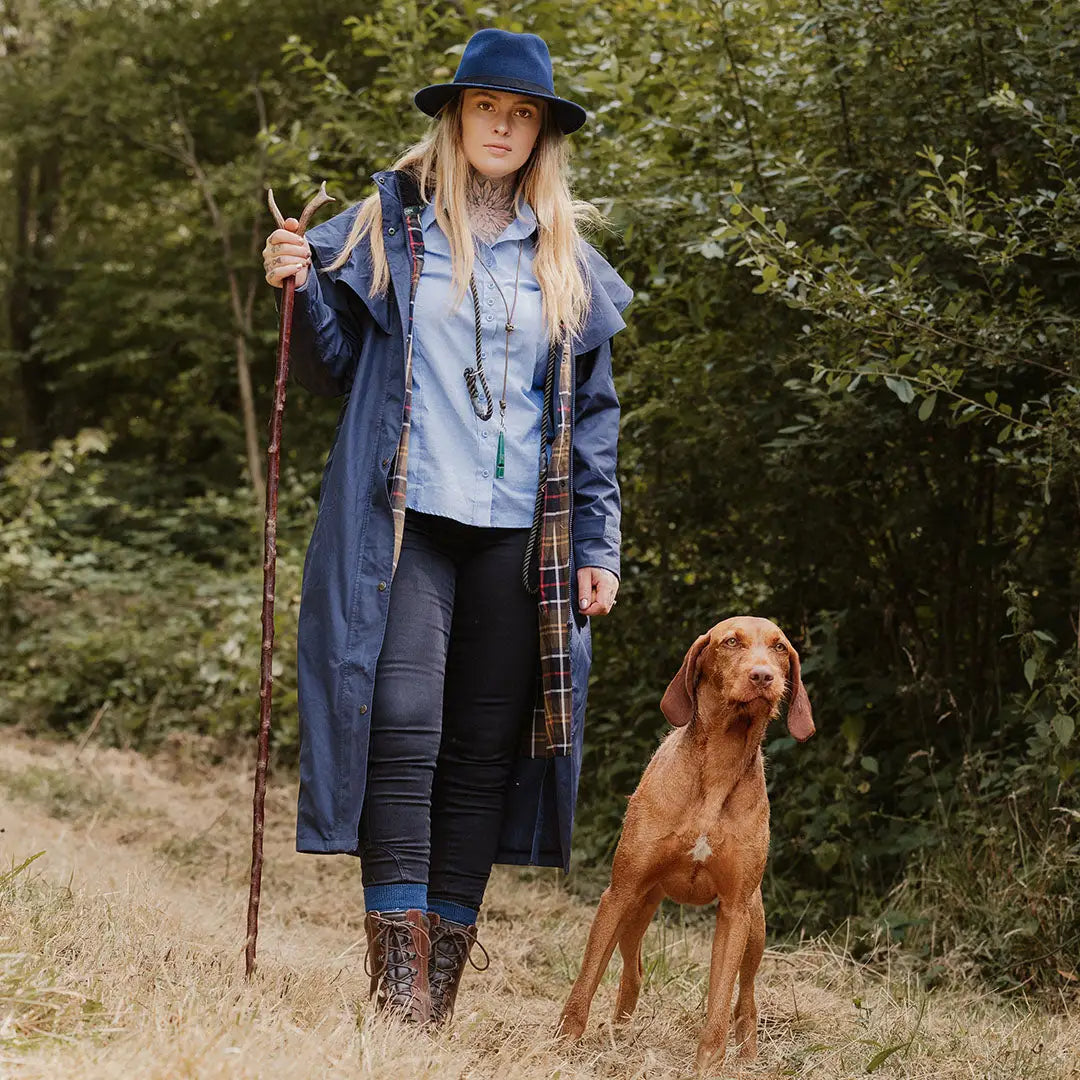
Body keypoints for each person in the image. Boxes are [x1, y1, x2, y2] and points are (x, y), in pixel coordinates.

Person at [262, 27, 632, 1027]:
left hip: (522, 538)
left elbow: (592, 416)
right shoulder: (390, 227)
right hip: (407, 522)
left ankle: (436, 998)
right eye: (486, 109)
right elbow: (341, 358)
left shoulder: (567, 262)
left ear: (541, 133)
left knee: (480, 747)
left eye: (522, 115)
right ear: (455, 118)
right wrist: (300, 281)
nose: (503, 128)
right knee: (404, 728)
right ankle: (398, 983)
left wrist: (597, 544)